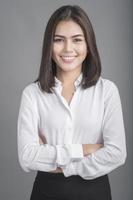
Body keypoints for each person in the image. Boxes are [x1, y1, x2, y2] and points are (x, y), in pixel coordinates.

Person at [17, 5, 127, 200]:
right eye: (58, 40)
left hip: (95, 193)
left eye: (77, 40)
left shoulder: (107, 91)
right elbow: (27, 157)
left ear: (88, 44)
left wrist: (59, 162)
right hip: (46, 192)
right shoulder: (32, 94)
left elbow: (117, 153)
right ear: (48, 45)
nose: (68, 49)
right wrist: (84, 149)